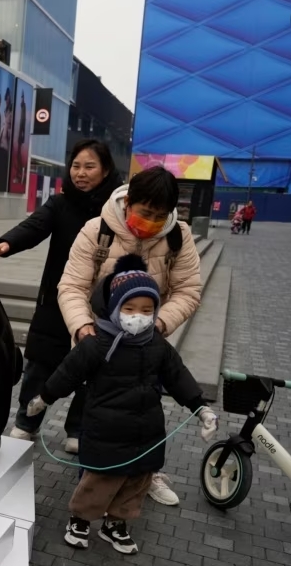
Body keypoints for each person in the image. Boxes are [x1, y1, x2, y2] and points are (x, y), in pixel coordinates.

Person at [26, 255, 218, 555]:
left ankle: (116, 523)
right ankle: (80, 519)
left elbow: (178, 377)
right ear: (114, 309)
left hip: (147, 431)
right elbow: (67, 373)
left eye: (146, 310)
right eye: (129, 309)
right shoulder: (97, 343)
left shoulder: (157, 345)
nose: (137, 316)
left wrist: (201, 408)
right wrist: (44, 398)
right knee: (99, 479)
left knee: (137, 481)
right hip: (105, 429)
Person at [58, 166, 203, 507]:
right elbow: (72, 286)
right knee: (100, 414)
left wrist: (159, 325)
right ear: (128, 203)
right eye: (144, 212)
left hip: (145, 343)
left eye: (159, 215)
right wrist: (83, 328)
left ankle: (144, 476)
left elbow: (188, 290)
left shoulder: (178, 237)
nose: (151, 221)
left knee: (144, 411)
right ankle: (92, 486)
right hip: (101, 342)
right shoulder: (97, 230)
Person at [0, 140, 119, 454]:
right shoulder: (60, 203)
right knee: (38, 368)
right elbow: (35, 225)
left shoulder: (115, 210)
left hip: (99, 305)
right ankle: (26, 422)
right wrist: (7, 243)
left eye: (89, 166)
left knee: (91, 371)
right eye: (76, 166)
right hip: (55, 302)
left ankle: (77, 429)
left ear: (106, 169)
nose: (80, 173)